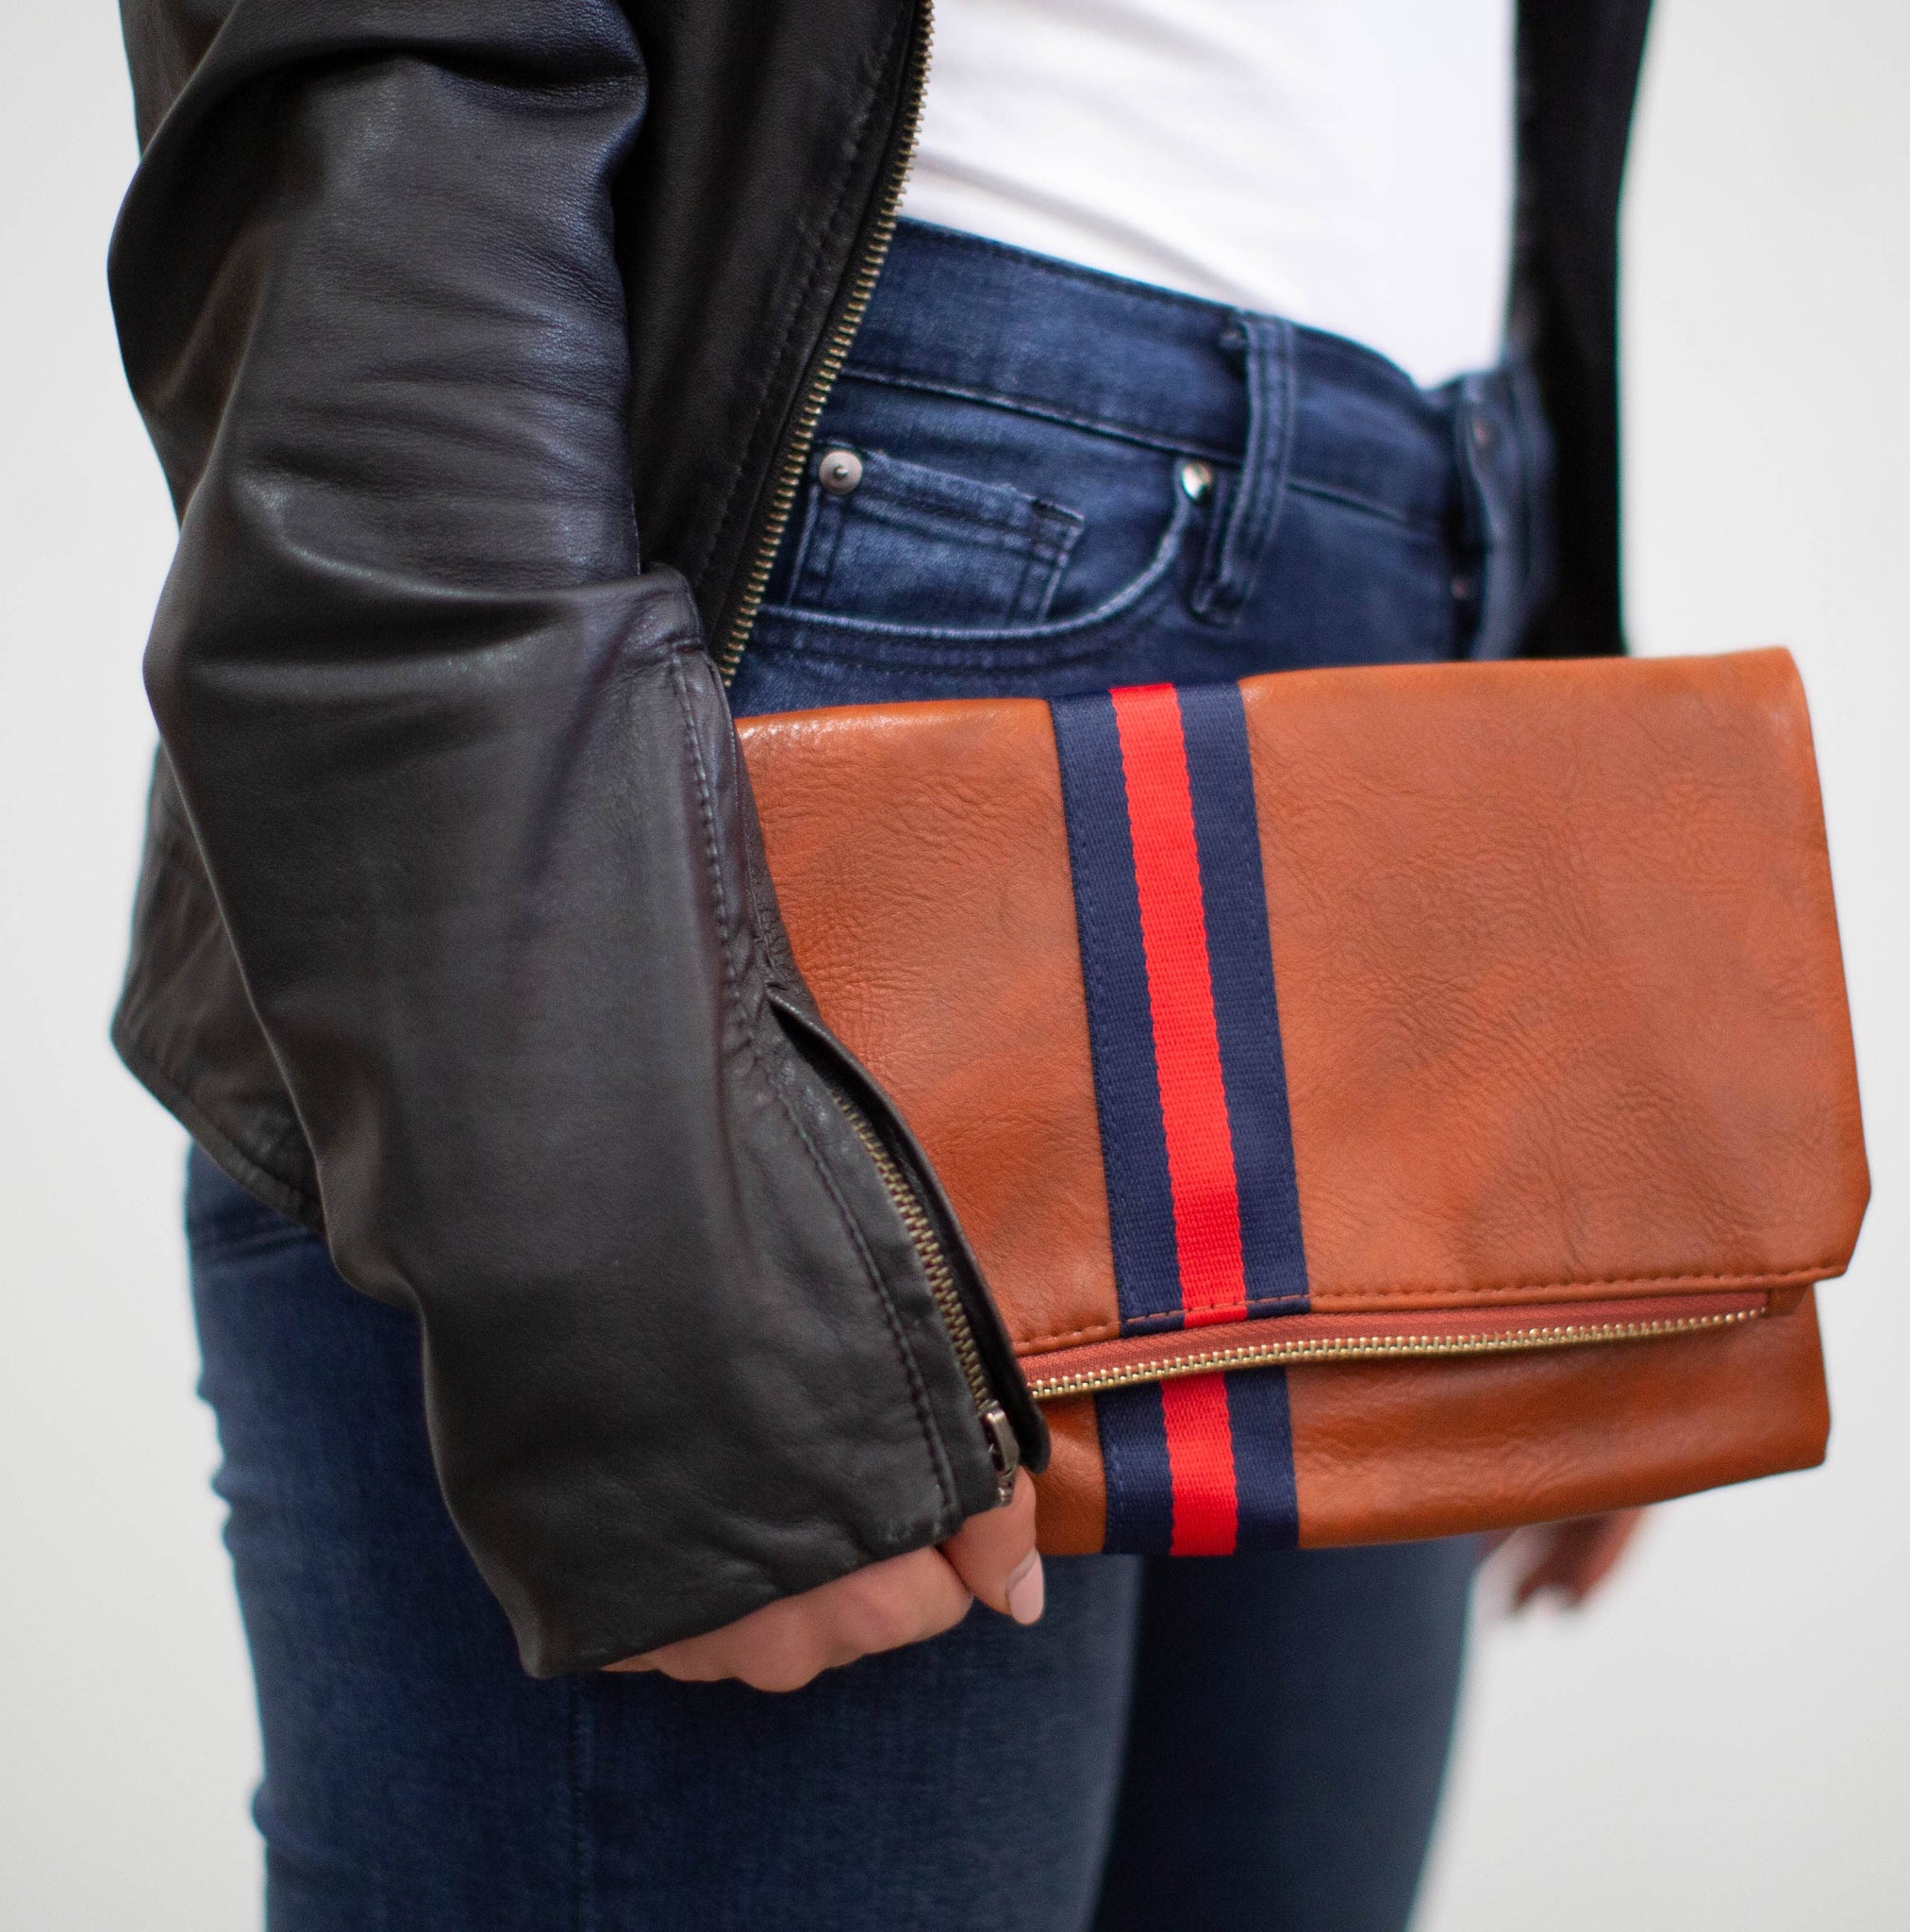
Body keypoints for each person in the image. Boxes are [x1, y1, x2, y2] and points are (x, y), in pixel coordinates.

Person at [110, 0, 1650, 1924]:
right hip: (803, 642)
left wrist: (1580, 1094)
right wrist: (617, 1216)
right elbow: (378, 106)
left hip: (1418, 644)